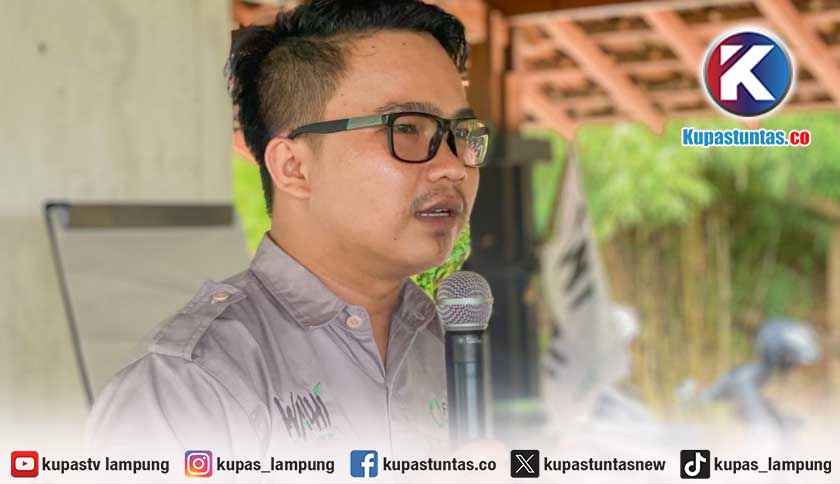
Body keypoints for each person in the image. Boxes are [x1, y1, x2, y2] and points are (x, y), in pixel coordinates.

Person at [86, 0, 489, 459]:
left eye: (461, 132)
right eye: (408, 129)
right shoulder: (186, 389)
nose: (454, 166)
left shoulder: (442, 343)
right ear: (294, 167)